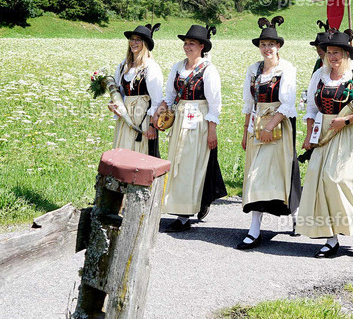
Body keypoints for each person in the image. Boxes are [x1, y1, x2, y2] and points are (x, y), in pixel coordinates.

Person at [298, 29, 353, 257]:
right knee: (321, 182)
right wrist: (309, 135)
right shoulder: (319, 75)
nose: (331, 57)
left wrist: (345, 120)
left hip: (349, 134)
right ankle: (331, 238)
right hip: (324, 133)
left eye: (336, 52)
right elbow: (311, 109)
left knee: (342, 180)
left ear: (346, 54)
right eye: (328, 52)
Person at [238, 17, 302, 250]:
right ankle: (254, 229)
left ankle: (295, 214)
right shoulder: (253, 70)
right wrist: (247, 132)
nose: (267, 48)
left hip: (278, 125)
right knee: (255, 175)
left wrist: (269, 127)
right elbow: (249, 103)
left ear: (279, 47)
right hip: (257, 125)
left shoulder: (286, 69)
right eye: (263, 44)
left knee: (281, 173)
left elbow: (287, 104)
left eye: (271, 44)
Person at [155, 24, 227, 232]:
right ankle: (182, 207)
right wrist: (162, 107)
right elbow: (169, 95)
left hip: (199, 120)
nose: (187, 47)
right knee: (177, 162)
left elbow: (215, 103)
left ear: (201, 46)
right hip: (180, 119)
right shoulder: (178, 67)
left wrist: (212, 130)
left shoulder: (208, 70)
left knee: (192, 165)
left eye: (191, 44)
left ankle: (186, 214)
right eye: (186, 43)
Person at [110, 23, 165, 157]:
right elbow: (119, 92)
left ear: (144, 43)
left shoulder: (151, 67)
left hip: (143, 117)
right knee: (124, 150)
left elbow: (157, 99)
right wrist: (112, 104)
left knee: (141, 152)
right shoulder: (124, 66)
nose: (133, 43)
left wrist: (152, 125)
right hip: (125, 117)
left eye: (138, 40)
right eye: (132, 39)